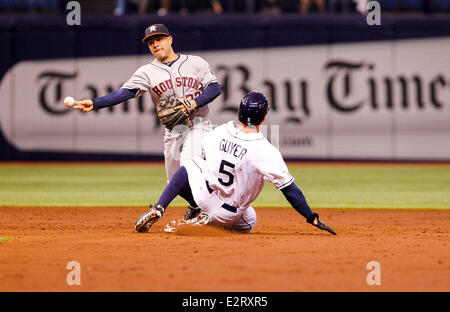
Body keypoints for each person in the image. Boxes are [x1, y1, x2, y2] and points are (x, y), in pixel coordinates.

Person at [65, 24, 222, 220]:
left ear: (170, 39)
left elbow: (215, 88)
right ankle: (195, 205)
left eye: (159, 39)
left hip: (199, 124)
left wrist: (193, 102)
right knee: (174, 180)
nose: (155, 44)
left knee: (188, 165)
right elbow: (125, 93)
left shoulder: (195, 62)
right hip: (174, 130)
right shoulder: (147, 71)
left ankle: (161, 207)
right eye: (150, 42)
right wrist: (96, 103)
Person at [134, 91, 336, 235]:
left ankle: (160, 207)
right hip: (229, 214)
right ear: (264, 117)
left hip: (206, 196)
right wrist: (311, 217)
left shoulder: (219, 131)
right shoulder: (265, 150)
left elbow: (207, 159)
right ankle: (209, 223)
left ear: (239, 112)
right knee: (251, 220)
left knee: (190, 164)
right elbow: (290, 190)